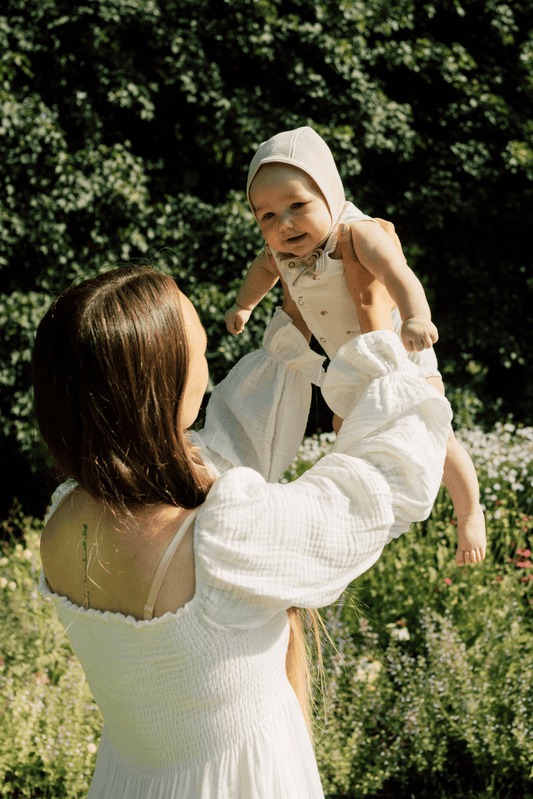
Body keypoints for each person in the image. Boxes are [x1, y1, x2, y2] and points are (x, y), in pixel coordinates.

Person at [35, 225, 451, 799]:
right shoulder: (222, 541)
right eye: (200, 351)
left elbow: (222, 449)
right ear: (160, 383)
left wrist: (296, 324)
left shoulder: (66, 515)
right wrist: (376, 329)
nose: (207, 360)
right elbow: (382, 485)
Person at [226, 126, 486, 567]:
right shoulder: (280, 254)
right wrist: (243, 305)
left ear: (330, 194)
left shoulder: (358, 232)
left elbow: (398, 273)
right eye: (266, 216)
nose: (283, 223)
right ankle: (369, 508)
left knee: (435, 434)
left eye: (297, 206)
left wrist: (417, 315)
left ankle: (469, 513)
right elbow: (260, 272)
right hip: (349, 365)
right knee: (347, 431)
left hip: (398, 353)